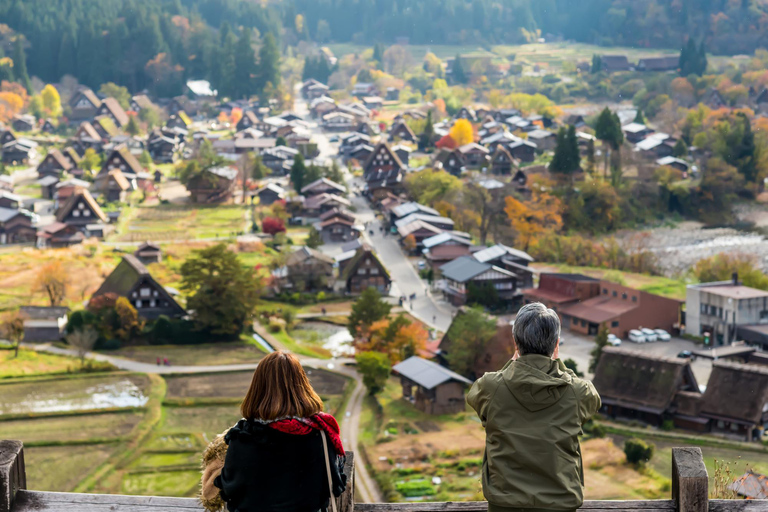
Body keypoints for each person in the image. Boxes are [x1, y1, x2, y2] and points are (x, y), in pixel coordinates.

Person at [467, 302, 601, 512]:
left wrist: (513, 364)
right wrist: (559, 364)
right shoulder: (577, 392)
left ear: (516, 343)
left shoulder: (490, 387)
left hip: (504, 506)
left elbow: (476, 396)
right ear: (556, 344)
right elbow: (592, 398)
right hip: (560, 506)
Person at [202, 351, 347, 512]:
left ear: (258, 387)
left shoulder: (242, 436)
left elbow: (229, 489)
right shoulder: (320, 433)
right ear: (302, 383)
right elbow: (334, 485)